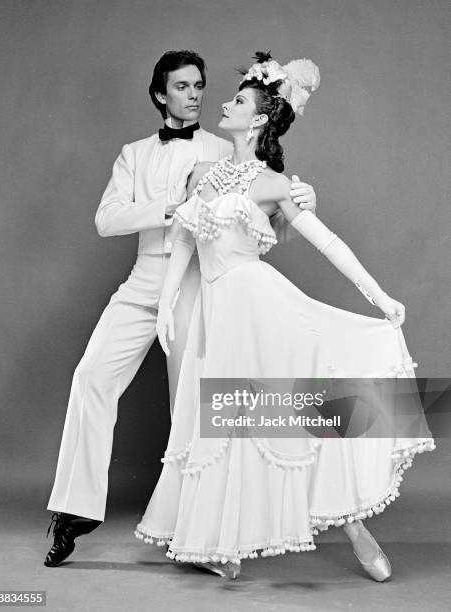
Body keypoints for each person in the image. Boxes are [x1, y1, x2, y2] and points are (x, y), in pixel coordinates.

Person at [134, 52, 435, 581]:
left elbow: (328, 242)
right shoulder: (202, 171)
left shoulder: (275, 184)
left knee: (303, 410)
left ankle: (355, 525)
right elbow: (182, 238)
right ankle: (223, 539)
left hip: (263, 306)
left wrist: (380, 297)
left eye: (239, 100)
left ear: (257, 120)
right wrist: (164, 305)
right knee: (232, 419)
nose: (223, 103)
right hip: (217, 312)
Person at [44, 50, 317, 567]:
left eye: (200, 86)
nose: (194, 94)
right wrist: (175, 207)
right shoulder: (133, 154)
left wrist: (300, 199)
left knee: (194, 404)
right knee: (91, 376)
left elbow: (267, 221)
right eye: (183, 86)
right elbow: (106, 219)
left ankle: (205, 536)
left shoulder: (225, 144)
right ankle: (72, 511)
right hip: (145, 277)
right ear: (159, 94)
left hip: (201, 281)